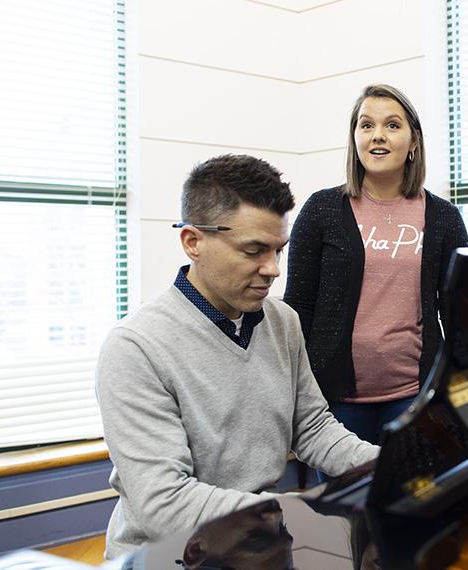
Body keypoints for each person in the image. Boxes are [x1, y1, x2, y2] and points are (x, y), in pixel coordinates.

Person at [95, 154, 378, 559]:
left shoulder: (283, 322)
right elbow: (165, 505)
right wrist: (292, 512)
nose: (273, 269)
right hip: (168, 556)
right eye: (253, 251)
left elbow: (314, 428)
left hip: (258, 544)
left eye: (278, 250)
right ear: (193, 242)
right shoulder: (135, 347)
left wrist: (388, 465)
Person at [284, 84, 468, 445]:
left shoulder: (444, 218)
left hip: (414, 395)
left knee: (407, 499)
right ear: (354, 138)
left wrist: (458, 391)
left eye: (392, 125)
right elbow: (298, 307)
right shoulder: (321, 210)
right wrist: (297, 390)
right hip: (334, 400)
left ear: (414, 141)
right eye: (366, 125)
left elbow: (458, 314)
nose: (378, 136)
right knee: (345, 501)